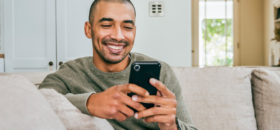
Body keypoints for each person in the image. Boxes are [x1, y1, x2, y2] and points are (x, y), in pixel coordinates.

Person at [39, 0, 197, 130]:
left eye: (127, 27)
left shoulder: (163, 73)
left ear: (134, 31)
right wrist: (91, 102)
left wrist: (171, 125)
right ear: (89, 29)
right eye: (107, 25)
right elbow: (37, 103)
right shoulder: (71, 73)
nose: (118, 36)